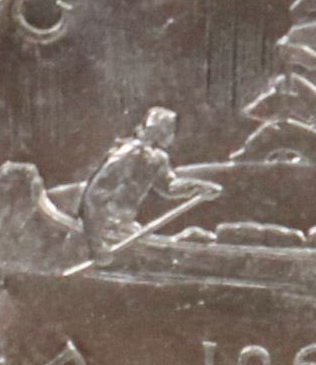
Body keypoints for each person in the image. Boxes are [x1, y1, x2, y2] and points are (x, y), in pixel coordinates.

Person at [79, 107, 221, 264]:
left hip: (125, 225)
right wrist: (95, 243)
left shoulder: (158, 158)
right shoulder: (128, 153)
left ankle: (184, 242)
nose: (173, 135)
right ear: (160, 131)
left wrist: (199, 187)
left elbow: (168, 186)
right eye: (171, 129)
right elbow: (95, 195)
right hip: (104, 225)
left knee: (162, 253)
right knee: (161, 256)